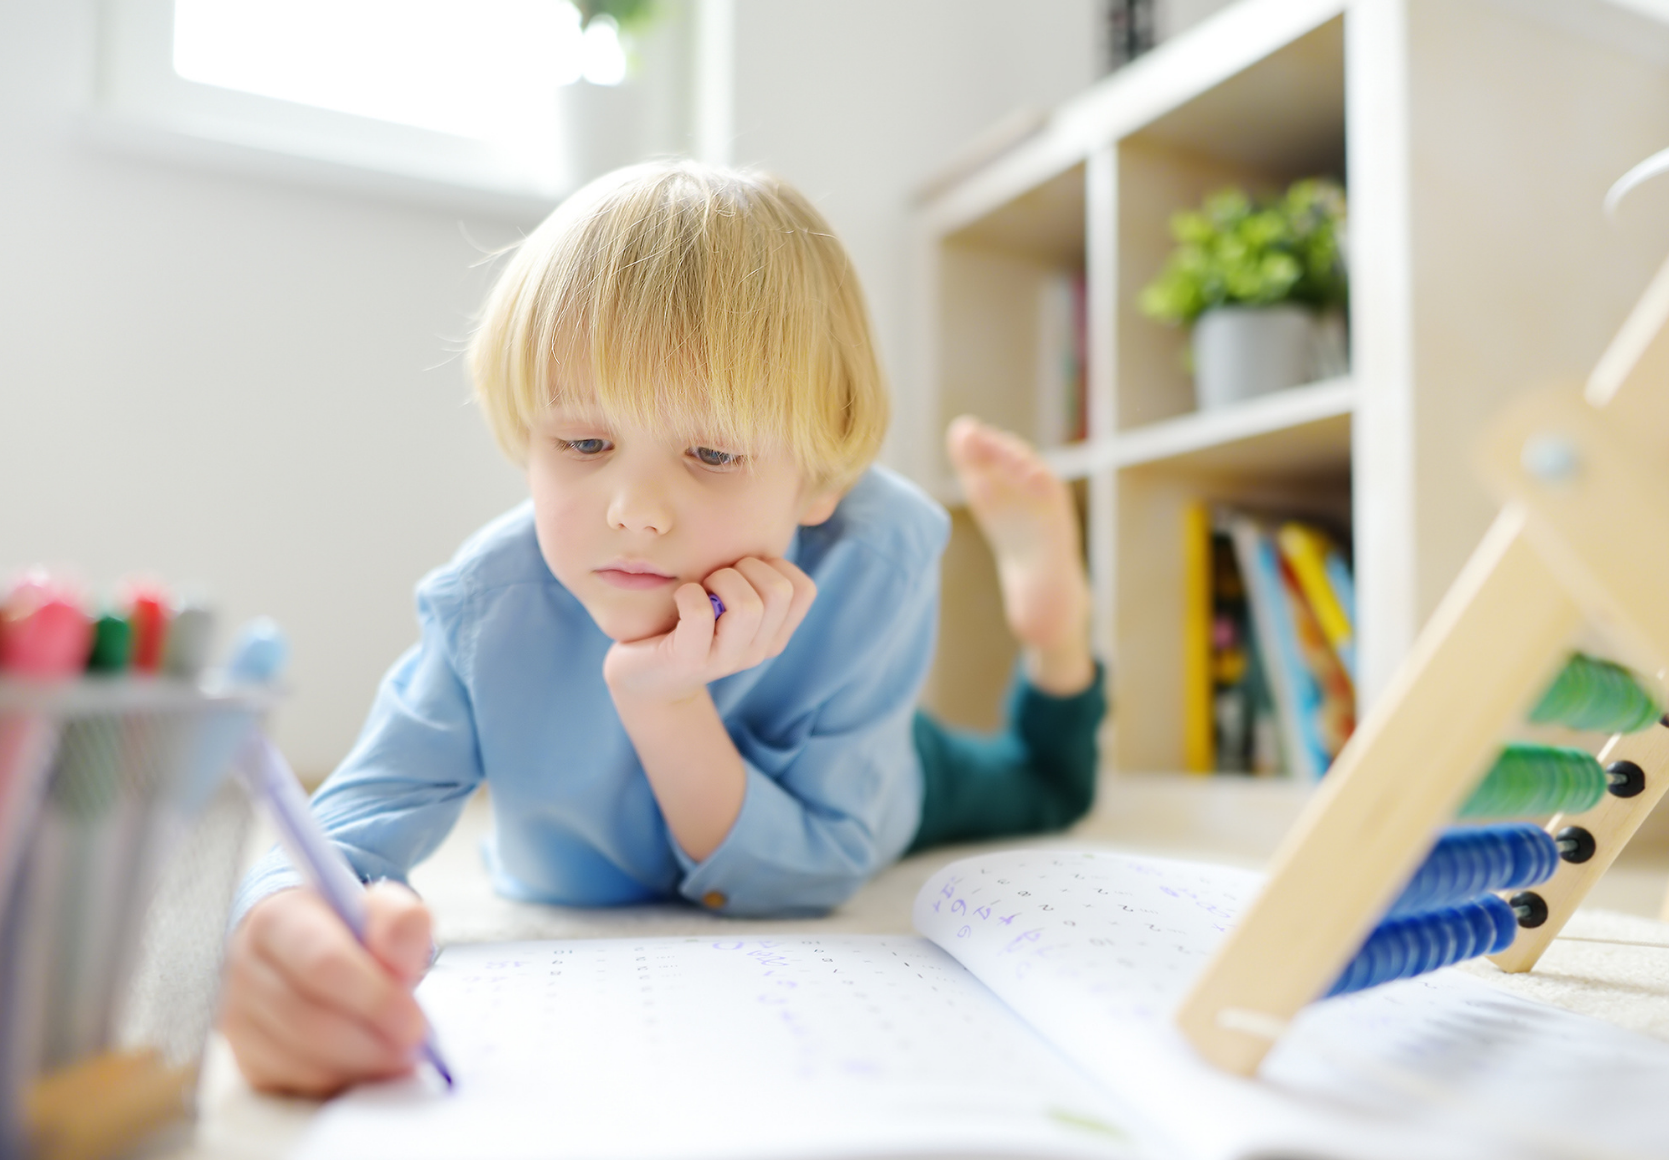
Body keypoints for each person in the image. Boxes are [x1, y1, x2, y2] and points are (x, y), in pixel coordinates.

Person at [219, 161, 1105, 1095]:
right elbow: (333, 837)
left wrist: (668, 704)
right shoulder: (489, 605)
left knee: (1045, 791)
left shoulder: (870, 560)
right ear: (529, 438)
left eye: (713, 452)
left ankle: (1057, 630)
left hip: (867, 761)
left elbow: (811, 877)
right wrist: (278, 928)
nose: (635, 512)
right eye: (585, 444)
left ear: (817, 478)